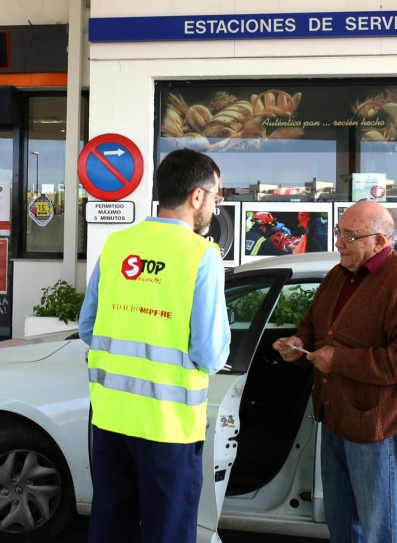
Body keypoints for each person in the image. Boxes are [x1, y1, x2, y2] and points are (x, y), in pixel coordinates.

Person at [79, 148, 231, 543]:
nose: (215, 206)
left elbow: (87, 327)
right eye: (215, 196)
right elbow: (211, 355)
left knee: (111, 529)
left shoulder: (117, 244)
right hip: (169, 428)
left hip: (110, 421)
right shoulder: (202, 255)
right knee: (168, 534)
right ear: (196, 197)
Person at [273, 200, 397, 542]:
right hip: (336, 419)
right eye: (339, 232)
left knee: (382, 529)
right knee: (343, 524)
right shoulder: (339, 275)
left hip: (378, 424)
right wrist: (298, 345)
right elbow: (313, 326)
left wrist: (340, 360)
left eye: (349, 236)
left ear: (379, 241)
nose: (338, 243)